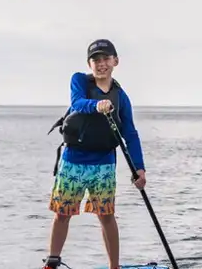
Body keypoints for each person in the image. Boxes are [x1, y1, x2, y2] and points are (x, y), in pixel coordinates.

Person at [42, 39, 147, 269]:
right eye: (96, 60)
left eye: (106, 59)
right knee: (62, 213)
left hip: (103, 164)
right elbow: (78, 103)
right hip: (73, 161)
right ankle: (52, 262)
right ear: (89, 64)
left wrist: (139, 167)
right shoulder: (79, 80)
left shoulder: (121, 97)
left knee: (106, 216)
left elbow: (130, 133)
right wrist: (97, 105)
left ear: (115, 61)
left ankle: (114, 267)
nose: (101, 64)